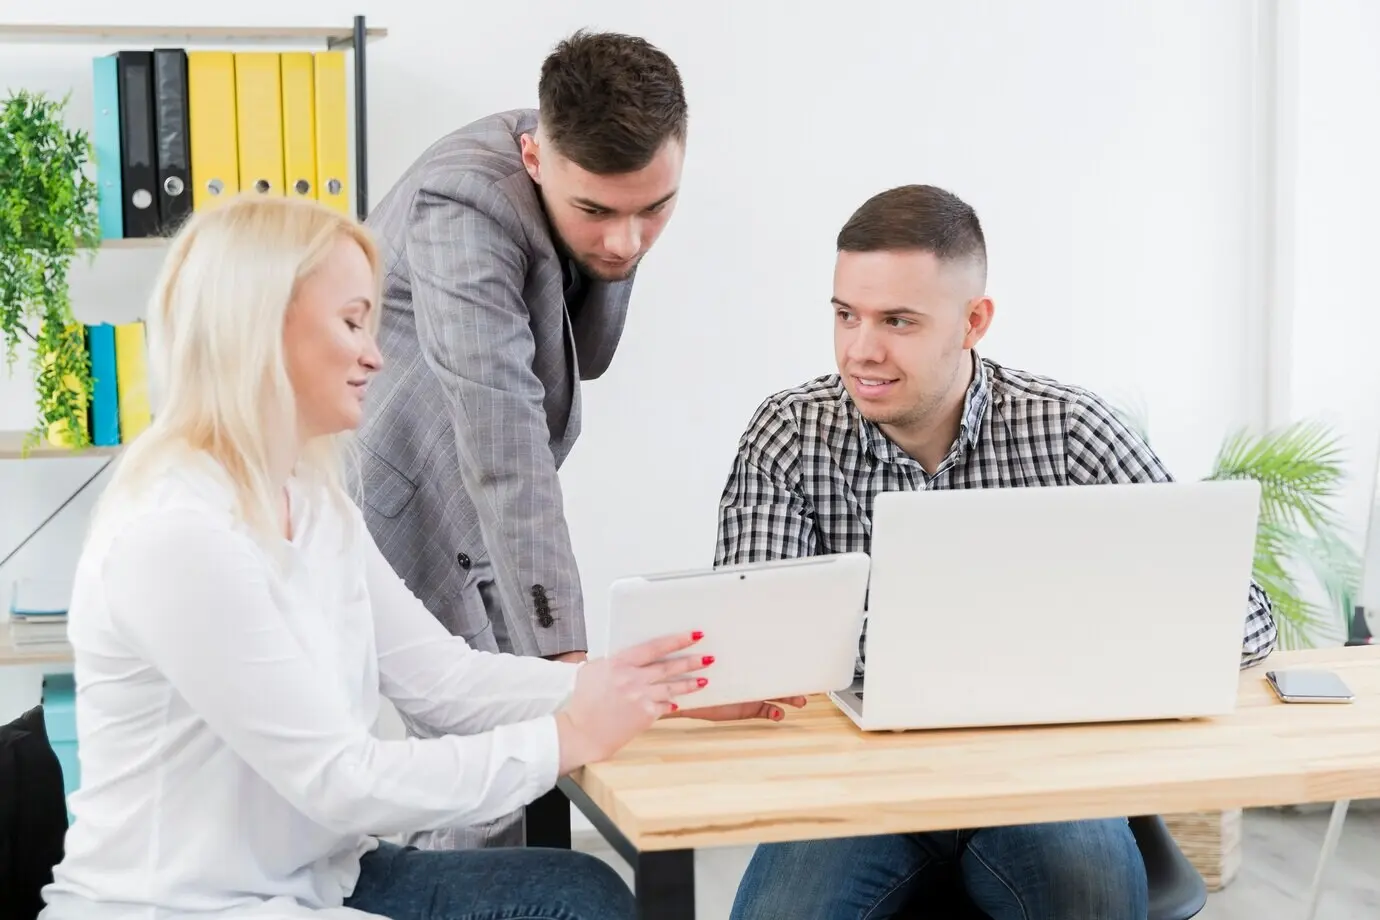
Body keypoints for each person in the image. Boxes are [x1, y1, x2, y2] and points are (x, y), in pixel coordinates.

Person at [37, 195, 793, 920]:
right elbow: (342, 780)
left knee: (584, 895)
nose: (375, 355)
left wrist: (647, 691)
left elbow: (442, 680)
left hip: (324, 875)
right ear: (261, 328)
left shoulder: (310, 494)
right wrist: (567, 737)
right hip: (195, 908)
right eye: (352, 322)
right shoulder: (178, 533)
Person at [714, 184, 1278, 920]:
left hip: (1046, 782)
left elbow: (1249, 619)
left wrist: (1063, 643)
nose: (861, 349)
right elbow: (755, 651)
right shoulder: (788, 434)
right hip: (858, 789)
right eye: (845, 314)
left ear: (974, 321)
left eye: (898, 321)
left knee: (1093, 898)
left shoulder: (1072, 431)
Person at [351, 29, 687, 850]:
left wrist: (567, 684)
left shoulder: (606, 180)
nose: (626, 241)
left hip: (484, 478)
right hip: (405, 486)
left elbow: (584, 351)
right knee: (477, 784)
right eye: (598, 213)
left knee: (527, 751)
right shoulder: (462, 206)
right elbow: (502, 437)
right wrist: (571, 668)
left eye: (655, 208)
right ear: (536, 158)